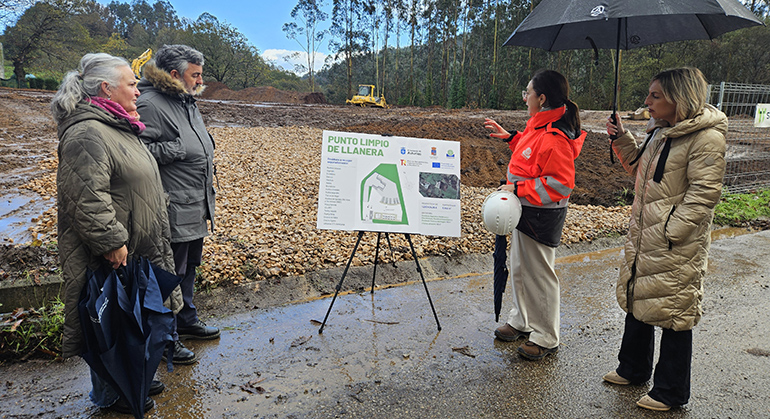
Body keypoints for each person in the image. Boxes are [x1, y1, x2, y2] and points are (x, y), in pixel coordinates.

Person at [53, 52, 181, 414]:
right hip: (111, 252)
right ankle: (112, 395)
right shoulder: (87, 133)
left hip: (138, 245)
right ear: (107, 88)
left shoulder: (118, 125)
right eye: (132, 84)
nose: (139, 91)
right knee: (109, 320)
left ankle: (134, 375)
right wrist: (111, 243)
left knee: (132, 317)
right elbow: (86, 197)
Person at [603, 67, 727, 411]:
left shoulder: (706, 138)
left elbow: (704, 194)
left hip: (675, 241)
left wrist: (671, 231)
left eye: (655, 95)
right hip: (647, 235)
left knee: (675, 312)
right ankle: (633, 368)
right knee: (639, 296)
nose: (647, 102)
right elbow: (638, 168)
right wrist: (621, 137)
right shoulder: (661, 131)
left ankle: (670, 392)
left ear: (680, 98)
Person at [484, 69, 586, 360]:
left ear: (541, 98)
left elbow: (560, 185)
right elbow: (531, 155)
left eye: (527, 93)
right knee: (519, 268)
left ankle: (546, 336)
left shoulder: (555, 136)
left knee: (539, 276)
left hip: (541, 217)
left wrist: (518, 188)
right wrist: (511, 137)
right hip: (524, 212)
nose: (524, 97)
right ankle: (522, 320)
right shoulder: (539, 126)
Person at [136, 44, 219, 365]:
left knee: (189, 267)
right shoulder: (151, 104)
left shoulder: (186, 101)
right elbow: (136, 153)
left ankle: (185, 320)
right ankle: (164, 338)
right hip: (173, 206)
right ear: (174, 75)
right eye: (194, 75)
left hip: (195, 203)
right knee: (168, 274)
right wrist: (174, 149)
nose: (200, 80)